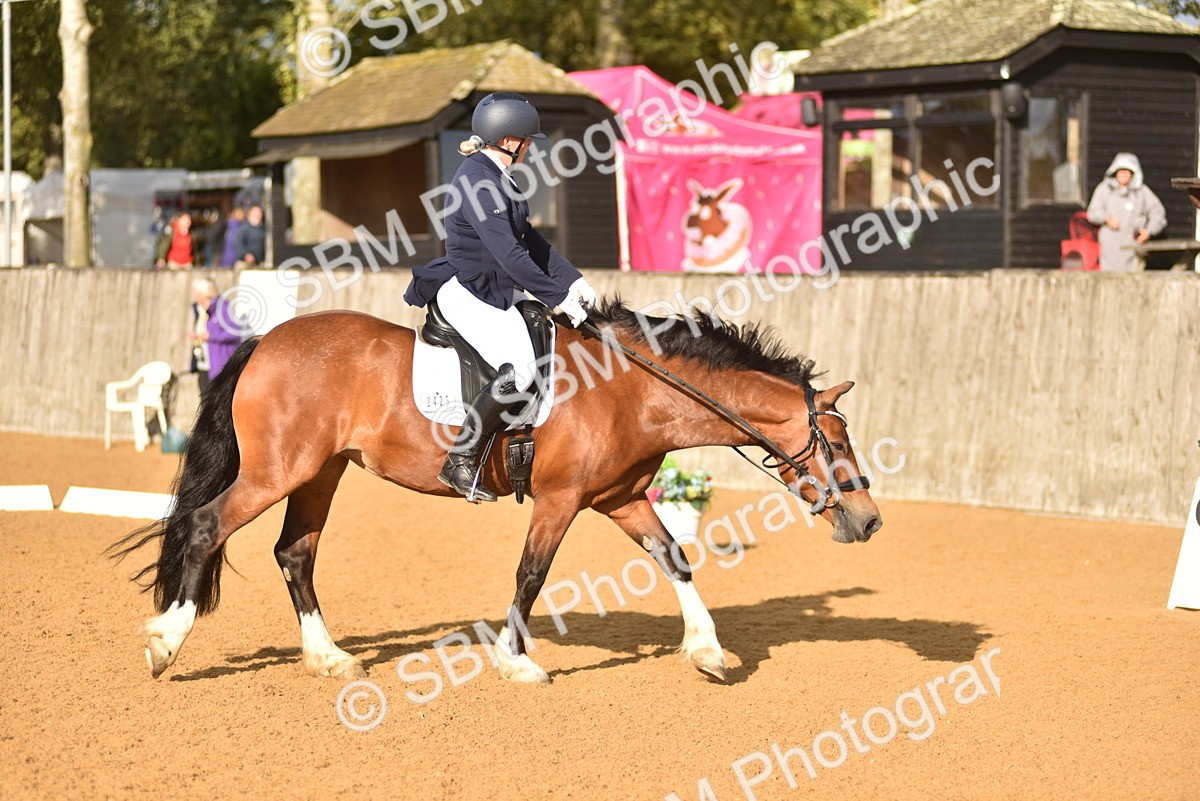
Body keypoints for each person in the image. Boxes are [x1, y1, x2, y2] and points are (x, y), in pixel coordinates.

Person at [404, 91, 598, 503]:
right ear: (510, 140)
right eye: (528, 141)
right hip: (472, 292)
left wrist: (573, 279)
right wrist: (556, 297)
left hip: (494, 291)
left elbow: (529, 238)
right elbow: (510, 256)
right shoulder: (478, 181)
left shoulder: (497, 174)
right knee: (522, 370)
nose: (530, 148)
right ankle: (461, 459)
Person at [1086, 152, 1167, 272]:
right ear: (1115, 171)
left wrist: (1148, 231)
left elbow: (1159, 214)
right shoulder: (1104, 189)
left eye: (1127, 170)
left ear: (1133, 173)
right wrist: (1106, 218)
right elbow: (1092, 213)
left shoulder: (1141, 192)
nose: (1124, 173)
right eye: (1121, 170)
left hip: (1133, 250)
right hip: (1109, 251)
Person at [189, 279, 213, 394]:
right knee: (203, 387)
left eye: (197, 293)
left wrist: (210, 336)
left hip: (213, 355)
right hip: (200, 352)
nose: (195, 296)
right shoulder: (196, 308)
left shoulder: (215, 308)